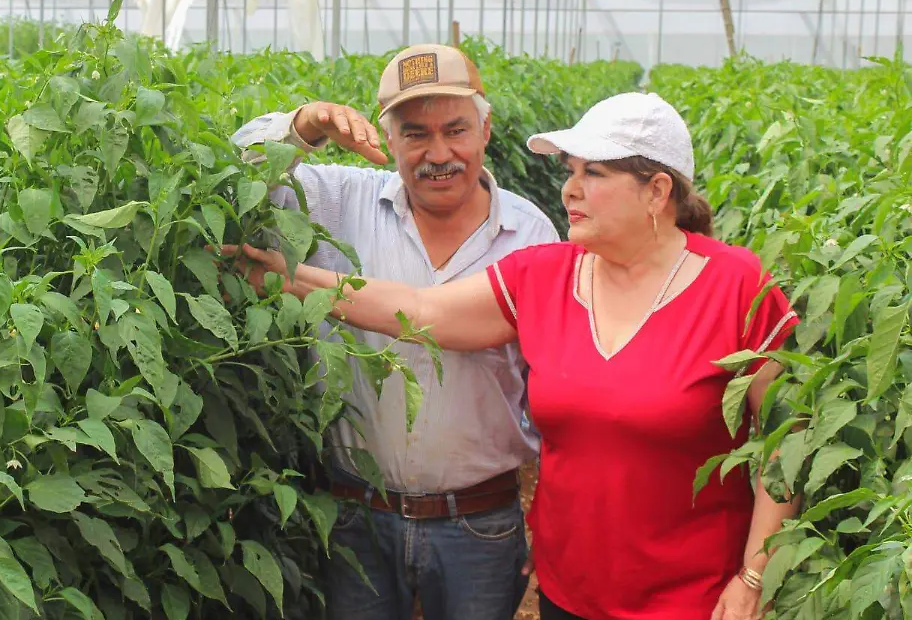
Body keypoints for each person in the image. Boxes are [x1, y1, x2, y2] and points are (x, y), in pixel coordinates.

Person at [227, 92, 800, 620]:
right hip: (569, 590)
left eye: (593, 174)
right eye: (570, 172)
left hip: (692, 593)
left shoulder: (738, 287)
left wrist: (753, 574)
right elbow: (421, 311)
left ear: (656, 191)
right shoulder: (547, 275)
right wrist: (289, 279)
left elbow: (785, 442)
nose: (570, 189)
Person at [230, 44, 558, 620]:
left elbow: (557, 385)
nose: (439, 154)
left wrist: (555, 514)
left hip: (480, 519)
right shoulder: (338, 201)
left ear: (486, 130)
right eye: (414, 135)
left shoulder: (530, 233)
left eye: (456, 130)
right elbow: (229, 181)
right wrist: (301, 126)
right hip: (356, 513)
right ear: (388, 140)